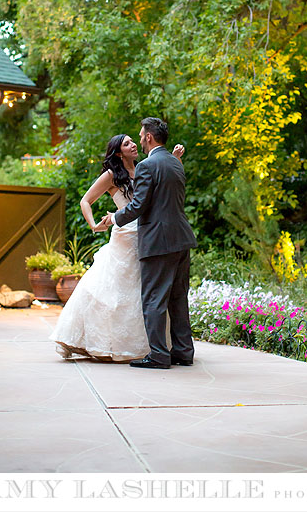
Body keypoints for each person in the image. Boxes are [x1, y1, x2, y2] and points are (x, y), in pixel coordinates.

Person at [50, 134, 184, 361]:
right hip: (124, 233)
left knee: (144, 288)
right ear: (119, 152)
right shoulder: (112, 175)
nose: (134, 145)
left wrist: (174, 159)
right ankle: (102, 342)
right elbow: (86, 200)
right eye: (127, 144)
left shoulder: (145, 167)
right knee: (115, 289)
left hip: (147, 232)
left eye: (134, 141)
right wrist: (94, 225)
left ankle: (150, 346)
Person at [101, 117, 198, 369]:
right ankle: (183, 352)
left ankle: (158, 355)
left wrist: (115, 217)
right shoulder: (175, 164)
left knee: (154, 298)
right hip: (182, 239)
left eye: (142, 135)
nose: (140, 139)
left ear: (149, 138)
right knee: (178, 298)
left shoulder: (147, 165)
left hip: (158, 241)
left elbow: (139, 204)